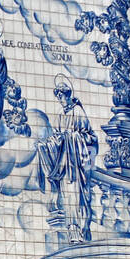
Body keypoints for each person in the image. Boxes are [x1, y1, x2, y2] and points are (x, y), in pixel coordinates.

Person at [35, 75, 99, 243]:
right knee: (68, 197)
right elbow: (57, 138)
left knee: (76, 197)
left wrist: (70, 137)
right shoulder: (59, 115)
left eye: (62, 96)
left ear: (68, 95)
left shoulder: (77, 111)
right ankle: (72, 231)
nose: (60, 100)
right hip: (64, 165)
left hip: (76, 166)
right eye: (58, 97)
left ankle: (79, 231)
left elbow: (89, 138)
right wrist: (47, 145)